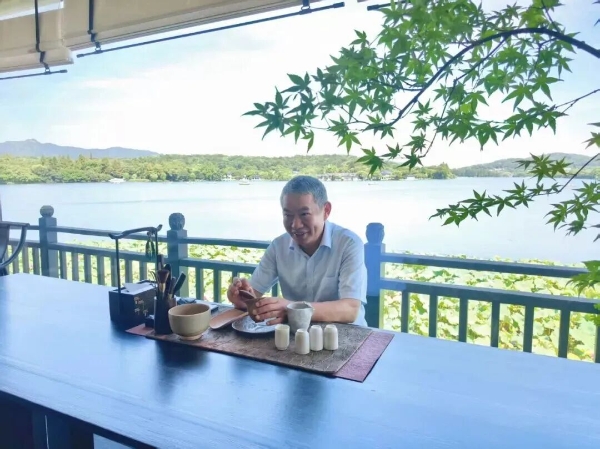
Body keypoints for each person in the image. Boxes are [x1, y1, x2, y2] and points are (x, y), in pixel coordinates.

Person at [226, 175, 367, 327]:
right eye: (288, 215)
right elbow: (254, 293)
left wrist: (291, 308)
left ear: (326, 210)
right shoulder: (278, 247)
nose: (295, 225)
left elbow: (350, 309)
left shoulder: (348, 243)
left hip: (347, 334)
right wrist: (242, 298)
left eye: (304, 214)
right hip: (296, 334)